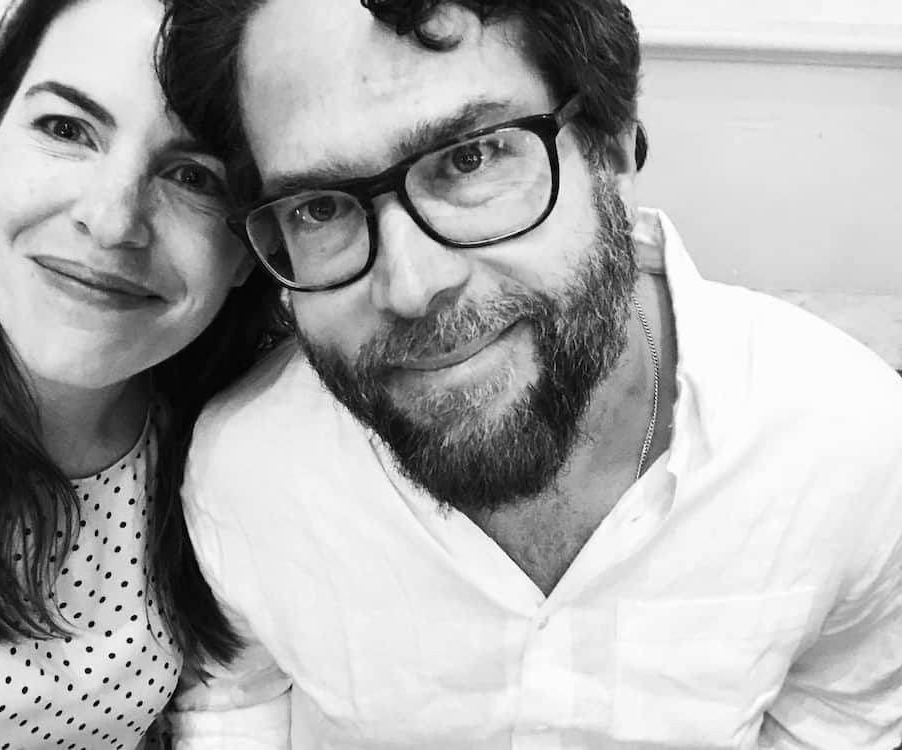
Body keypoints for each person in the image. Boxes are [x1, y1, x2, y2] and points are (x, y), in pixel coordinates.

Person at [160, 0, 902, 747]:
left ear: (611, 152)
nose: (411, 286)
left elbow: (841, 718)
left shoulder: (846, 446)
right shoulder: (247, 468)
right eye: (320, 208)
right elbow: (237, 705)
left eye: (471, 158)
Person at [0, 0, 283, 747]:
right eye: (66, 129)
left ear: (251, 249)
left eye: (195, 177)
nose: (111, 222)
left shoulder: (228, 438)